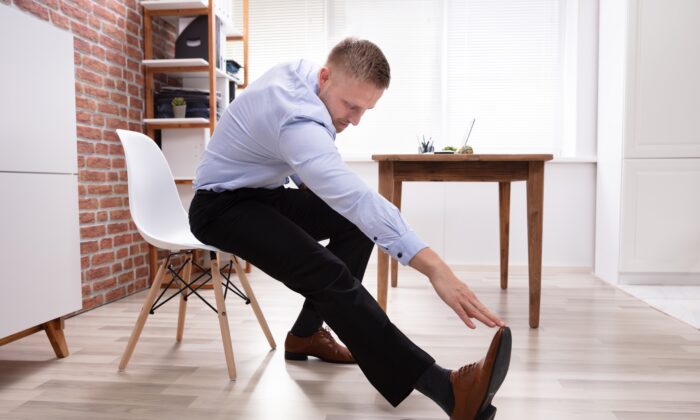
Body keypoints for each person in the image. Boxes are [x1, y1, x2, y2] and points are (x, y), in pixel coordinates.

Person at [189, 37, 511, 420]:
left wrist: (317, 183)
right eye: (351, 106)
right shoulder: (298, 119)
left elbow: (316, 173)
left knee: (354, 225)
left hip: (260, 194)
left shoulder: (305, 77)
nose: (356, 119)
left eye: (366, 109)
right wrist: (434, 268)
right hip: (219, 209)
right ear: (326, 77)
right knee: (327, 273)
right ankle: (449, 391)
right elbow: (355, 197)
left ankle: (306, 333)